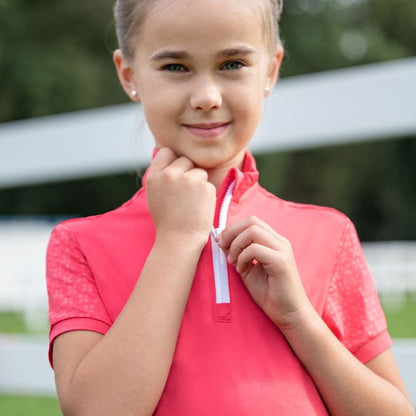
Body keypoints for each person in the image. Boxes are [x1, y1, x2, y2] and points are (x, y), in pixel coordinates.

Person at [46, 0, 414, 415]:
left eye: (233, 63)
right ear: (130, 75)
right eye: (175, 67)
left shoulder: (329, 235)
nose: (206, 96)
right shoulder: (78, 245)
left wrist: (299, 320)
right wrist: (176, 239)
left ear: (271, 70)